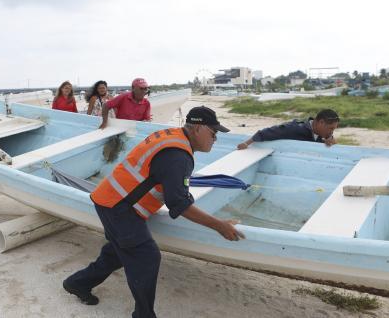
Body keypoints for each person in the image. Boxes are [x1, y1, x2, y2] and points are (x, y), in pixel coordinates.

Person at [64, 106, 245, 318]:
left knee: (120, 251)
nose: (215, 139)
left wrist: (184, 196)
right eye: (213, 133)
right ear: (197, 128)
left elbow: (169, 184)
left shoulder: (173, 138)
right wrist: (220, 225)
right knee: (146, 257)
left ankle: (77, 283)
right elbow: (178, 204)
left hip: (110, 198)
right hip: (119, 207)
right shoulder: (178, 155)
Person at [237, 109, 340, 149]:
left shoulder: (323, 134)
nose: (331, 132)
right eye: (331, 129)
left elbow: (328, 137)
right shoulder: (294, 128)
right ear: (321, 123)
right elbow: (266, 133)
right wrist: (246, 144)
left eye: (333, 130)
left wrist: (330, 139)